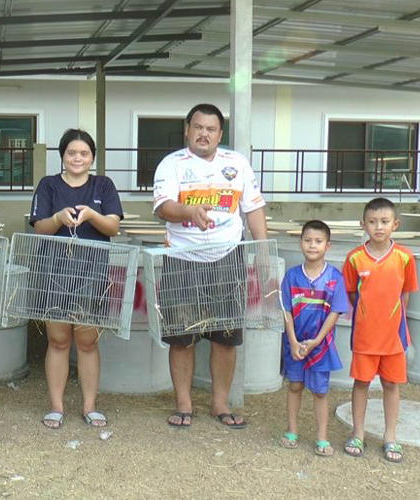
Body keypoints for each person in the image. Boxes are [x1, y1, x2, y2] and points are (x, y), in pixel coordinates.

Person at [152, 103, 268, 429]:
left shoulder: (238, 164)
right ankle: (184, 405)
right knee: (181, 336)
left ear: (220, 135)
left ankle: (221, 403)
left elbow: (254, 211)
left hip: (228, 257)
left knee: (226, 336)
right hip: (182, 257)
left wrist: (261, 255)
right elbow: (163, 207)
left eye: (211, 129)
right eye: (198, 127)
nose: (204, 133)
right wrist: (189, 212)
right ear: (187, 129)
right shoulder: (171, 164)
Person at [29, 128, 123, 429]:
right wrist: (57, 218)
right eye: (72, 153)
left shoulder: (104, 185)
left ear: (92, 157)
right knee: (57, 341)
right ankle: (56, 406)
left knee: (86, 341)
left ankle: (89, 406)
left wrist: (92, 216)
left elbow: (113, 228)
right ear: (63, 156)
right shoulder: (48, 185)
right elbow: (39, 227)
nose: (78, 158)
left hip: (92, 272)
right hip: (54, 271)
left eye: (84, 153)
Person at [342, 198, 417, 463]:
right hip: (364, 336)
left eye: (384, 222)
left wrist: (396, 323)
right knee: (361, 383)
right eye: (372, 222)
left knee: (390, 385)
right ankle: (358, 432)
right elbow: (351, 294)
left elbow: (404, 295)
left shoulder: (405, 258)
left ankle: (390, 437)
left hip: (394, 338)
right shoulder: (354, 258)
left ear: (395, 224)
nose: (378, 227)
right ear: (363, 224)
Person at [279, 220, 347, 456]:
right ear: (300, 243)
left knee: (320, 391)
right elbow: (286, 310)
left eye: (318, 241)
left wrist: (317, 340)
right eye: (307, 240)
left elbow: (336, 312)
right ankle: (291, 431)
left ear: (328, 246)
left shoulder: (335, 278)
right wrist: (294, 341)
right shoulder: (291, 276)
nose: (312, 245)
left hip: (320, 347)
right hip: (294, 345)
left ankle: (322, 437)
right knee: (295, 386)